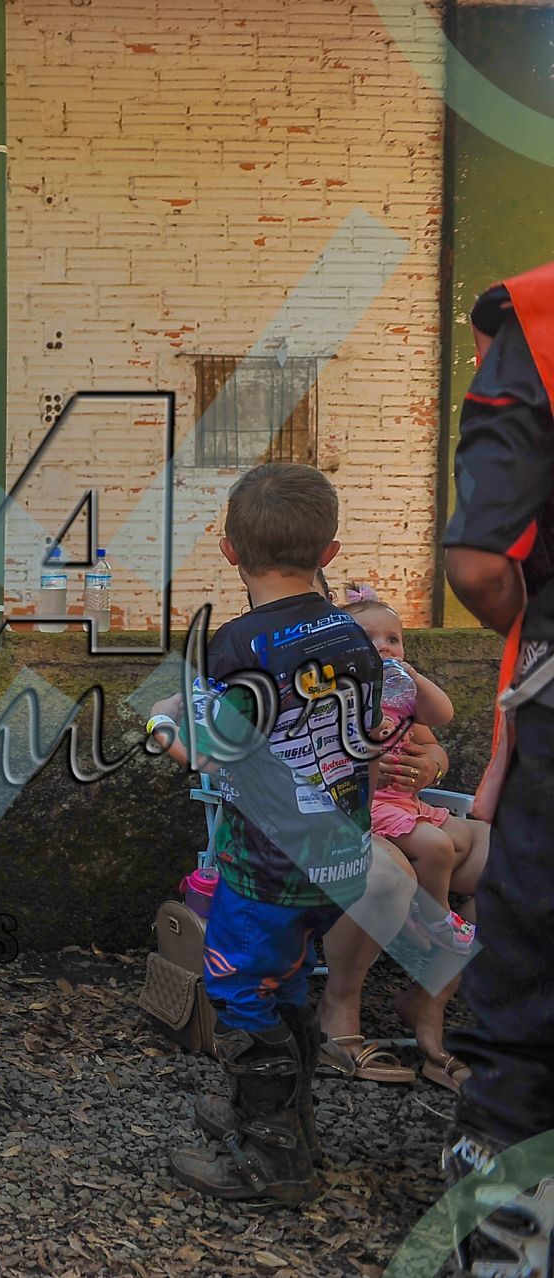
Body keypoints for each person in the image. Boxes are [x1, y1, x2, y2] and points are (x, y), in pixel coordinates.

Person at [145, 462, 388, 1204]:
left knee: (241, 987)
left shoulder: (240, 647)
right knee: (289, 975)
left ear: (229, 551)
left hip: (269, 864)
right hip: (341, 856)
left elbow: (216, 755)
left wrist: (162, 728)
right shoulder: (355, 634)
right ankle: (289, 1118)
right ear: (329, 551)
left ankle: (271, 1158)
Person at [439, 260, 554, 1276]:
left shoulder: (538, 323)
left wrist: (535, 632)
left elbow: (479, 562)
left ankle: (506, 1239)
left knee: (524, 996)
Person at [343, 588, 479, 952]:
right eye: (369, 639)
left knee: (460, 837)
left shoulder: (400, 695)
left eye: (393, 639)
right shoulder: (344, 696)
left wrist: (416, 681)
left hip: (405, 802)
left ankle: (414, 908)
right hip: (371, 806)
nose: (384, 647)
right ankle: (438, 917)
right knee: (437, 847)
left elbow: (442, 716)